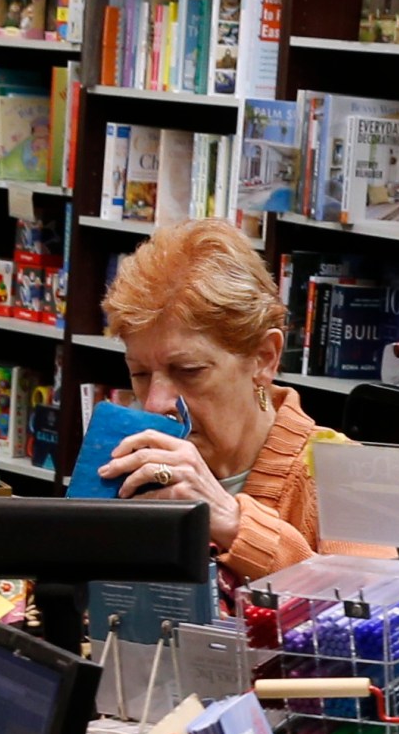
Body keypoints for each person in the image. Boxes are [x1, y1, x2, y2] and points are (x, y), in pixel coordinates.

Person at [97, 215, 345, 582]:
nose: (154, 404)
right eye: (140, 374)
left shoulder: (341, 470)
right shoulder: (134, 460)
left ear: (264, 358)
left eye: (189, 371)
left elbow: (381, 620)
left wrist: (232, 520)